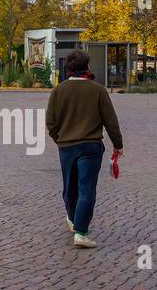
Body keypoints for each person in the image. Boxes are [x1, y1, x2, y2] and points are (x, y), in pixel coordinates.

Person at [45, 49, 124, 249]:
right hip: (91, 146)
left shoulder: (58, 91)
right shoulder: (97, 90)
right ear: (87, 67)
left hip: (67, 146)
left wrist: (59, 139)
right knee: (86, 189)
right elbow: (111, 121)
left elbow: (50, 122)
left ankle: (73, 220)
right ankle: (81, 231)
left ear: (68, 69)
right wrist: (118, 145)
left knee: (69, 187)